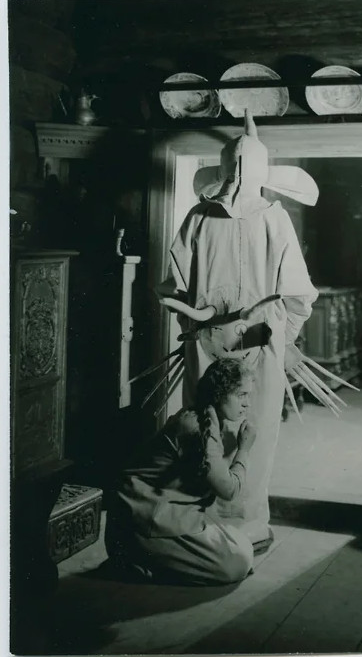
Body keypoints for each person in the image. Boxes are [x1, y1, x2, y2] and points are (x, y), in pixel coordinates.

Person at [156, 110, 319, 547]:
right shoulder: (245, 218)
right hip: (239, 346)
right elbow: (299, 297)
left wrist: (197, 327)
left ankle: (226, 527)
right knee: (233, 430)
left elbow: (173, 289)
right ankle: (228, 529)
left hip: (225, 347)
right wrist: (286, 336)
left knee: (231, 429)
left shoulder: (206, 217)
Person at [105, 358, 256, 586]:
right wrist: (244, 449)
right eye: (241, 395)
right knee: (237, 563)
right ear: (219, 393)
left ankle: (147, 562)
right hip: (142, 520)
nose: (247, 404)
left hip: (161, 514)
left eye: (249, 395)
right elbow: (229, 490)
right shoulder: (196, 427)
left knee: (241, 544)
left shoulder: (204, 418)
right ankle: (140, 561)